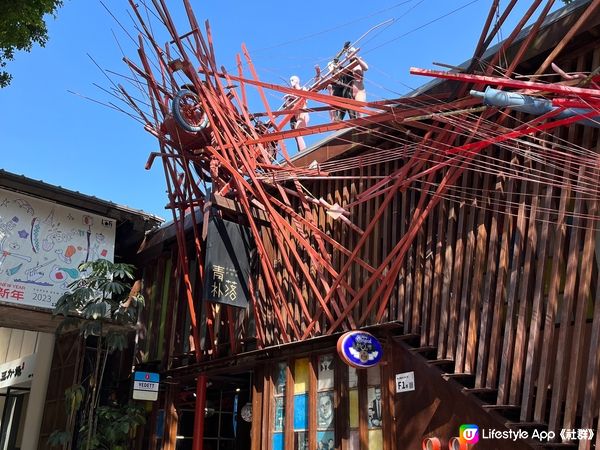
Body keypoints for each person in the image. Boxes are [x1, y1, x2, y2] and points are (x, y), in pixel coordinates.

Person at [327, 49, 368, 121]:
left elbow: (366, 68)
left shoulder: (358, 63)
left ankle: (361, 125)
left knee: (359, 111)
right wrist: (335, 65)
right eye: (349, 53)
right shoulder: (348, 67)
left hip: (359, 89)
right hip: (350, 91)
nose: (350, 54)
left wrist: (357, 58)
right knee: (350, 112)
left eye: (351, 53)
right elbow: (339, 73)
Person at [285, 75, 310, 151]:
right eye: (290, 80)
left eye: (292, 80)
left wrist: (292, 97)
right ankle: (301, 151)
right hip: (296, 117)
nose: (291, 82)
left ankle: (303, 151)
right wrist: (288, 101)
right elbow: (288, 108)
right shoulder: (292, 94)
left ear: (297, 81)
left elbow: (304, 99)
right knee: (297, 135)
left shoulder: (303, 89)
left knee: (298, 133)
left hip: (303, 115)